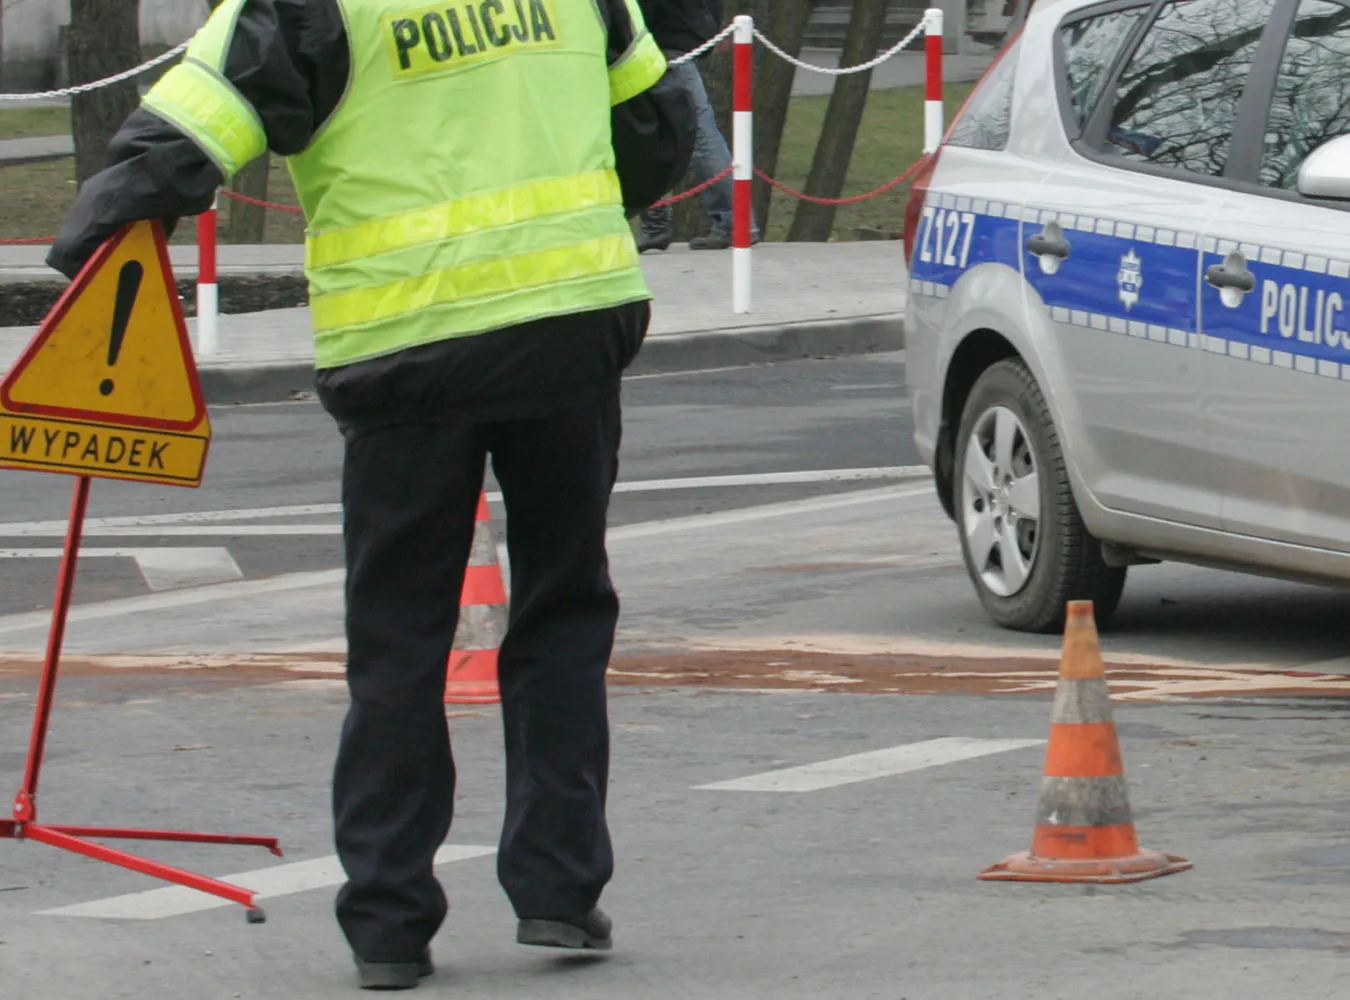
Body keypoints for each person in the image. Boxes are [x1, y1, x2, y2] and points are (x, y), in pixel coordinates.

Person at [46, 0, 692, 990]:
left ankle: (390, 922)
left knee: (399, 639)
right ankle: (560, 889)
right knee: (564, 610)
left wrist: (94, 242)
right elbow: (655, 135)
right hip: (569, 324)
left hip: (406, 345)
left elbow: (191, 124)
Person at [635, 0, 759, 251]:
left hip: (659, 41)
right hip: (677, 38)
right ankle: (730, 219)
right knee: (679, 133)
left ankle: (733, 220)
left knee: (698, 135)